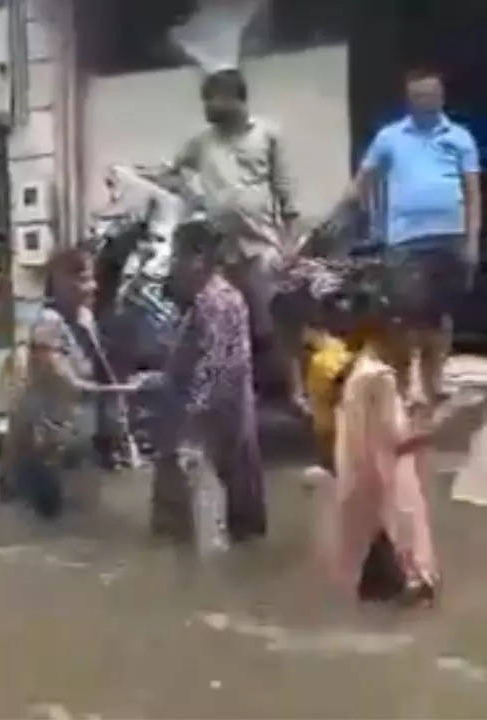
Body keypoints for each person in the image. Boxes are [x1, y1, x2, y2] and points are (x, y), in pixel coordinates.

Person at [332, 67, 481, 405]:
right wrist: (343, 215)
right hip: (405, 240)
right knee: (405, 316)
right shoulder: (390, 137)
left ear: (442, 95)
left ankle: (436, 380)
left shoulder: (459, 137)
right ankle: (407, 384)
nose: (426, 100)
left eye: (431, 94)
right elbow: (362, 182)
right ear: (408, 98)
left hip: (449, 237)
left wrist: (472, 240)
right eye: (418, 95)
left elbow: (473, 193)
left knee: (440, 316)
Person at [166, 68, 302, 409]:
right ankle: (237, 398)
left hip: (261, 245)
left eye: (213, 99)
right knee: (227, 325)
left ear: (235, 99)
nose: (208, 107)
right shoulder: (201, 142)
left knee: (276, 324)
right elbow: (170, 170)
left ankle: (295, 395)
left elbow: (287, 196)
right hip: (220, 252)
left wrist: (290, 246)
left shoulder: (268, 135)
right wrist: (193, 196)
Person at [313, 280, 438, 606]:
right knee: (409, 610)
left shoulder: (356, 369)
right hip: (388, 518)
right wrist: (448, 428)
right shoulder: (378, 378)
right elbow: (394, 447)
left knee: (373, 608)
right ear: (394, 328)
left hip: (364, 514)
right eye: (414, 335)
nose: (416, 346)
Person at [151, 219, 266, 543]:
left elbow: (215, 365)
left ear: (197, 258)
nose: (173, 267)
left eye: (177, 257)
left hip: (209, 435)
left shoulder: (212, 300)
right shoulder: (223, 296)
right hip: (228, 423)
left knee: (203, 531)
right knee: (238, 521)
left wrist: (191, 430)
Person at [5, 246, 139, 518]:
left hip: (79, 445)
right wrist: (131, 389)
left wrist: (120, 427)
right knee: (44, 529)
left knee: (83, 528)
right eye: (82, 278)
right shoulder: (48, 323)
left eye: (92, 278)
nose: (92, 286)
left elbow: (103, 373)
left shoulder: (86, 321)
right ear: (58, 281)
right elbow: (69, 382)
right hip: (45, 448)